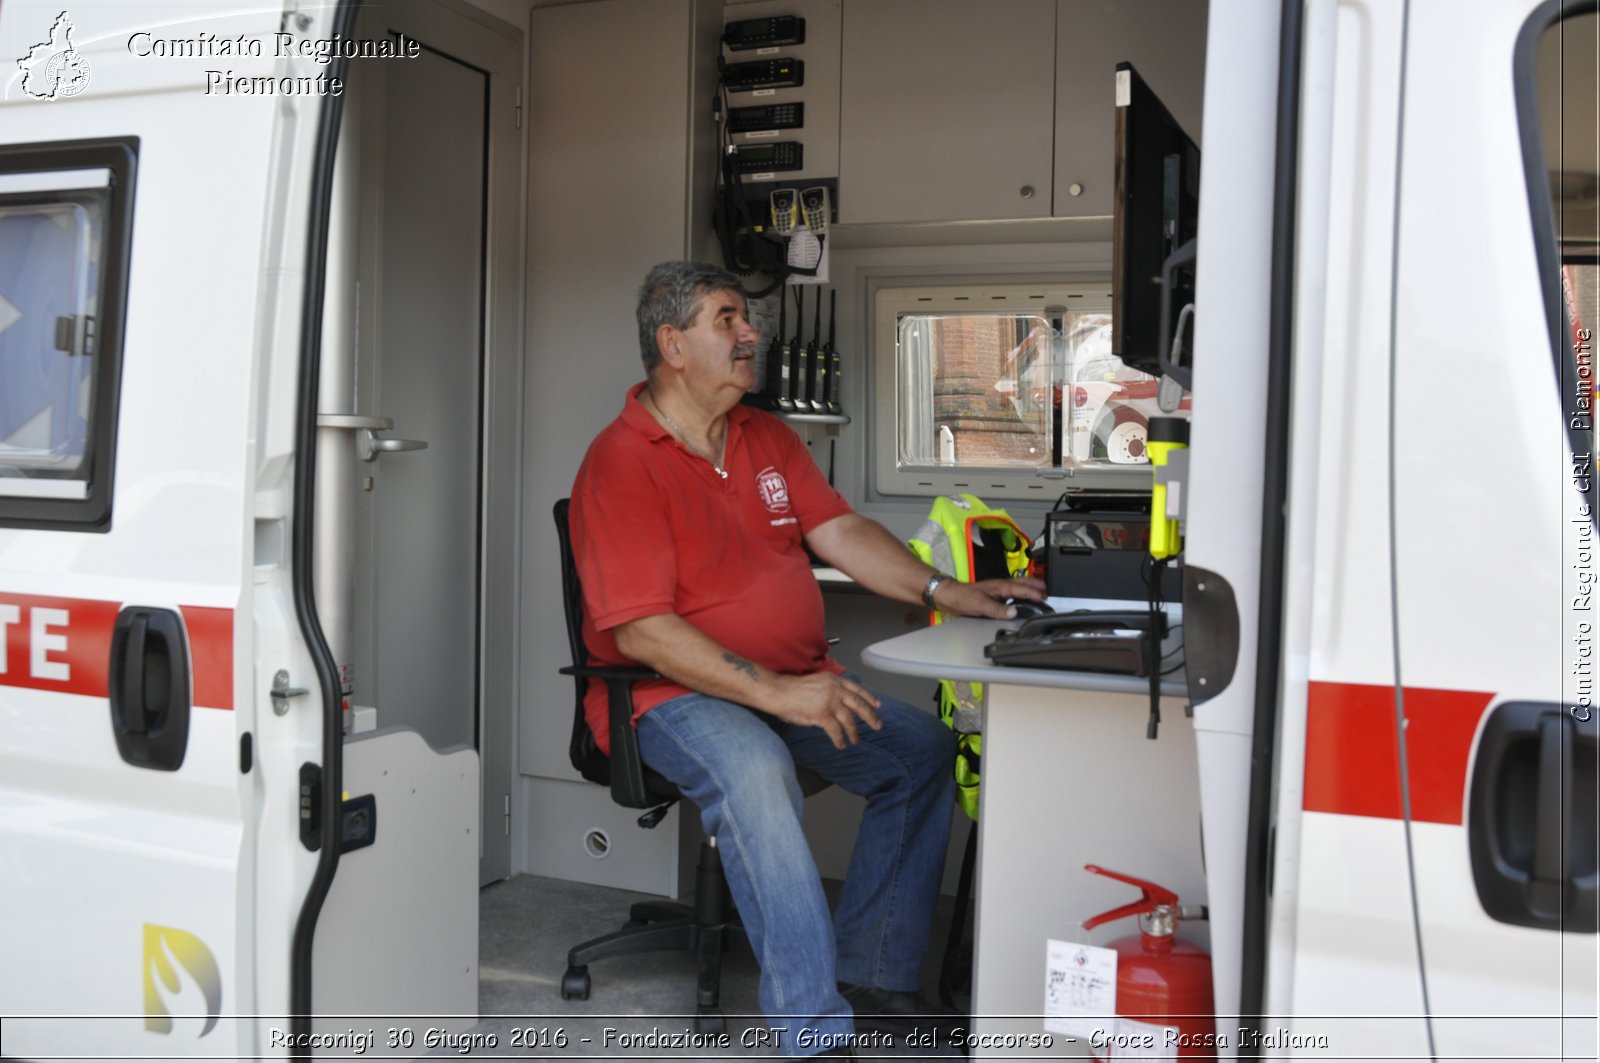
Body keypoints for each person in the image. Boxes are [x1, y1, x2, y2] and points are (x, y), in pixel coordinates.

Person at [568, 261, 1046, 1059]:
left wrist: (946, 588)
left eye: (745, 318)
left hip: (787, 687)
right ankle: (813, 1031)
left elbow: (840, 531)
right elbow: (643, 631)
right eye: (728, 319)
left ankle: (871, 973)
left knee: (920, 751)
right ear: (673, 344)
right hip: (665, 698)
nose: (751, 332)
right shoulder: (621, 461)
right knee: (755, 768)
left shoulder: (765, 435)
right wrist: (783, 695)